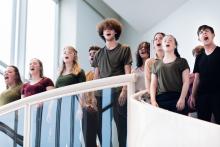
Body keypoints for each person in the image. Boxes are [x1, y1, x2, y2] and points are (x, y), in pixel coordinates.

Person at [93, 18, 132, 147]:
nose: (107, 31)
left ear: (115, 32)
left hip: (118, 92)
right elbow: (96, 76)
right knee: (102, 127)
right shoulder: (98, 53)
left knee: (121, 126)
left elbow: (128, 73)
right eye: (105, 29)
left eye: (110, 29)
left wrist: (124, 91)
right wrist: (93, 96)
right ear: (102, 33)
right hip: (101, 95)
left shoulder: (124, 49)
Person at [150, 35, 190, 115]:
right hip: (161, 99)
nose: (167, 42)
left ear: (175, 45)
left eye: (170, 40)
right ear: (162, 45)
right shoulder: (156, 64)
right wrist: (153, 101)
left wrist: (182, 98)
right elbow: (153, 85)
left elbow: (186, 81)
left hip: (177, 98)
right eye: (165, 41)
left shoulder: (182, 61)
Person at [55, 46, 86, 146]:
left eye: (69, 52)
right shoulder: (60, 73)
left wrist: (80, 109)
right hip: (61, 107)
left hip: (73, 105)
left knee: (73, 133)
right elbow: (54, 93)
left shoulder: (79, 72)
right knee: (62, 134)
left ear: (74, 56)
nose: (66, 54)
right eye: (64, 52)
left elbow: (82, 91)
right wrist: (51, 111)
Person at [21, 58, 54, 147]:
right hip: (29, 115)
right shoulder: (25, 85)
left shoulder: (46, 80)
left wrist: (49, 112)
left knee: (42, 136)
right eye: (30, 64)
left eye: (35, 63)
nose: (32, 65)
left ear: (40, 67)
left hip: (42, 113)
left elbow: (52, 97)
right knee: (30, 137)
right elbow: (22, 102)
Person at [191, 25, 220, 124]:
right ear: (199, 38)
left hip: (218, 94)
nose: (204, 33)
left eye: (207, 31)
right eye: (201, 32)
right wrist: (193, 96)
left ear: (213, 35)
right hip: (202, 96)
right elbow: (197, 79)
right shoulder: (199, 57)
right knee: (203, 125)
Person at [82, 45, 101, 147]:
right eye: (90, 54)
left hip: (102, 109)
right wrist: (85, 105)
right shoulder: (86, 75)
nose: (92, 56)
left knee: (104, 138)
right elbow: (83, 94)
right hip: (89, 110)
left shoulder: (105, 72)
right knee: (89, 140)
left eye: (95, 53)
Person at [187, 45, 204, 114]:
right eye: (196, 56)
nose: (197, 58)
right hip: (192, 104)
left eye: (199, 55)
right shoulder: (192, 74)